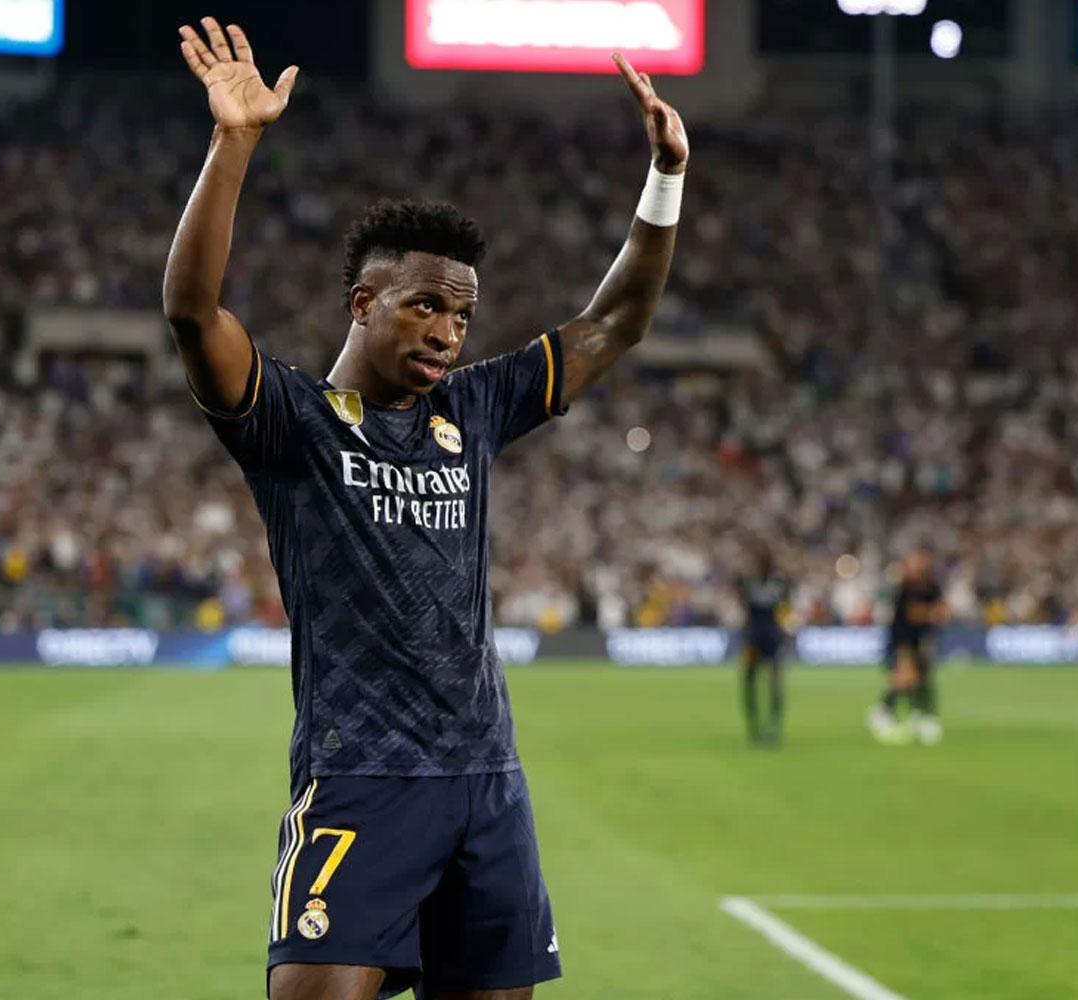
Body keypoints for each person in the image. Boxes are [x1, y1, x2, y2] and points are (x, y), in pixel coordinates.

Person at [163, 18, 688, 1000]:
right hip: (360, 783)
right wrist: (234, 144)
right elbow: (194, 313)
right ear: (363, 302)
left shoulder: (474, 408)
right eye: (425, 307)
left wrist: (664, 175)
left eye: (461, 315)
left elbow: (616, 319)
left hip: (487, 787)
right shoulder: (294, 421)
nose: (448, 332)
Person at [869, 549, 947, 746]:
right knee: (905, 676)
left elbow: (942, 610)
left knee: (920, 678)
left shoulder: (931, 586)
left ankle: (917, 715)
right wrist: (931, 613)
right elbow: (914, 614)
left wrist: (931, 613)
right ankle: (884, 712)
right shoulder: (904, 588)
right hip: (903, 639)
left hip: (922, 638)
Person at [736, 547, 789, 745]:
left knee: (761, 682)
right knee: (760, 681)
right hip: (762, 636)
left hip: (761, 636)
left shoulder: (772, 583)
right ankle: (762, 726)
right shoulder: (754, 583)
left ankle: (764, 726)